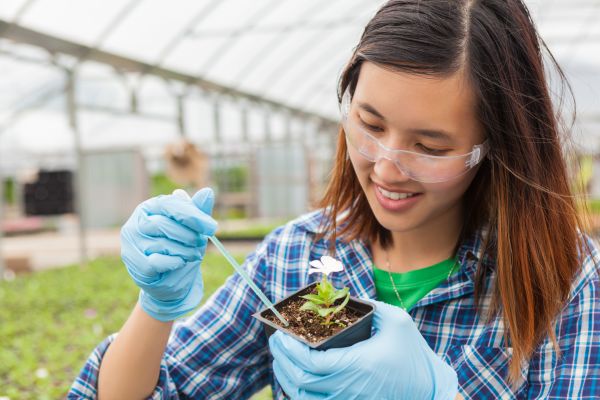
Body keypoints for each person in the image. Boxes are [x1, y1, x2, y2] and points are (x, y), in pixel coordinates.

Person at [68, 0, 600, 399]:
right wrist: (156, 307)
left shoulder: (560, 280)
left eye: (429, 146)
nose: (387, 167)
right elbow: (159, 389)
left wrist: (439, 393)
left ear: (493, 147)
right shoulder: (298, 256)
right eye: (369, 125)